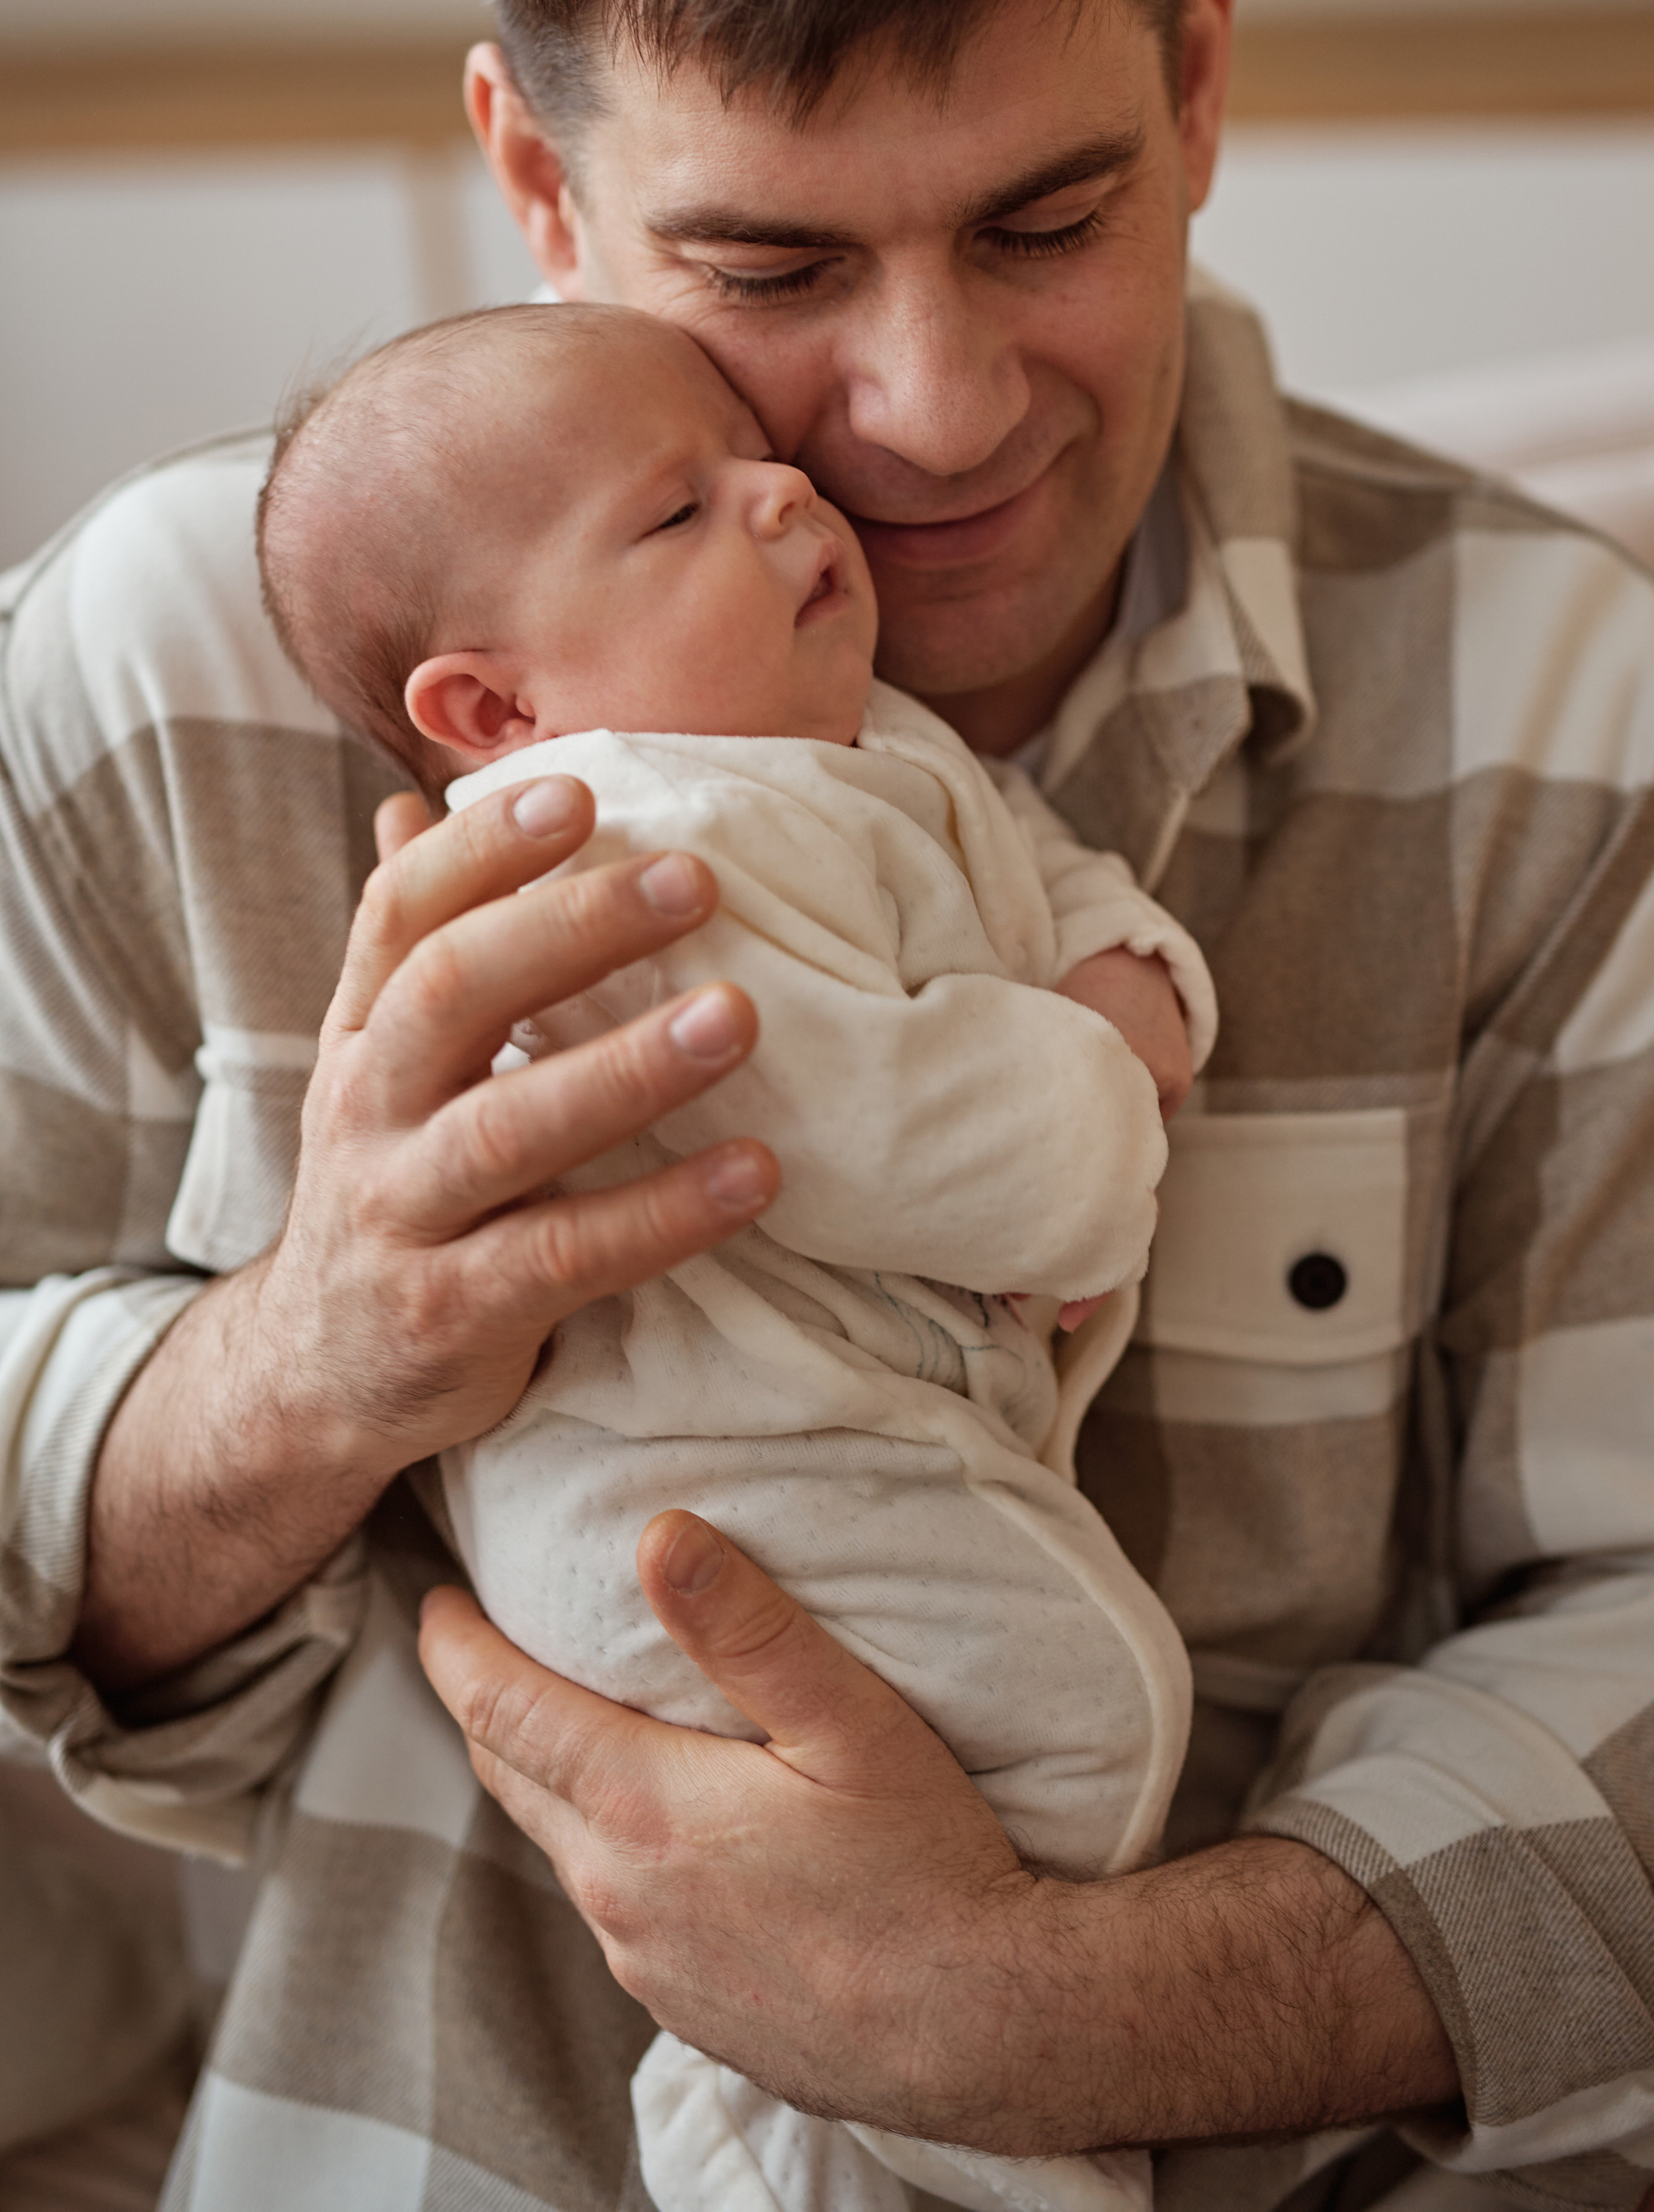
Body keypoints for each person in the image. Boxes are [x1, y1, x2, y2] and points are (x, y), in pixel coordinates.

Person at [1, 0, 1654, 2209]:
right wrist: (305, 1357)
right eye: (769, 262)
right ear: (534, 180)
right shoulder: (175, 661)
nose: (925, 414)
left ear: (1199, 74)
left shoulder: (1564, 708)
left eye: (1048, 221)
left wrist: (1030, 2023)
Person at [257, 294, 1215, 2210]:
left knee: (1021, 1780)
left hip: (820, 1460)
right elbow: (848, 1118)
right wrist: (1105, 1085)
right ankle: (830, 2147)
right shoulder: (617, 846)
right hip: (692, 1505)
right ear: (497, 711)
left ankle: (838, 2119)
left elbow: (1019, 866)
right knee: (1088, 1711)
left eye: (754, 464)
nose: (789, 499)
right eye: (678, 516)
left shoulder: (841, 749)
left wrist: (1129, 962)